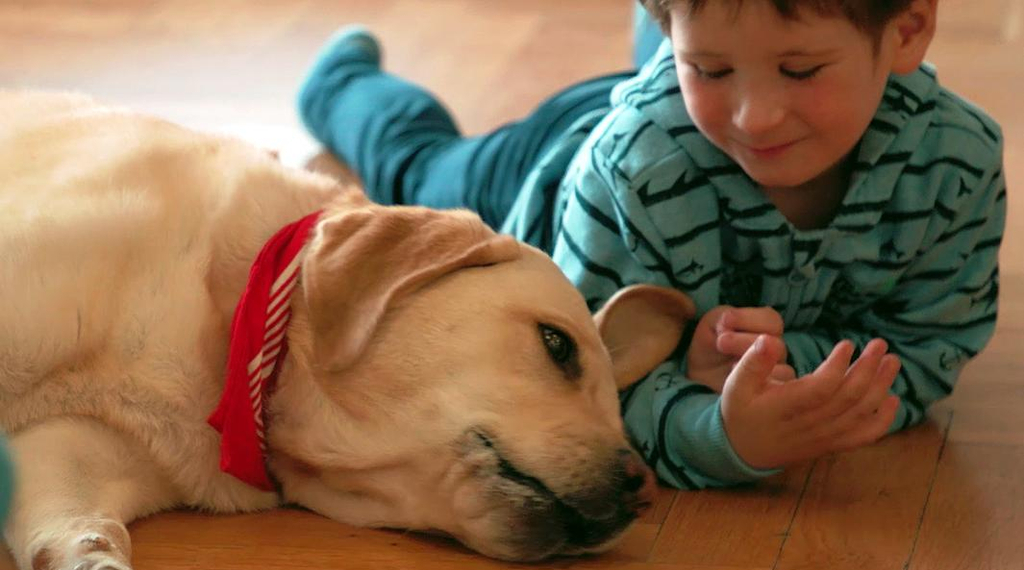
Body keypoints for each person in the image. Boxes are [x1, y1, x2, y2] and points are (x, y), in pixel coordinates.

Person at [295, 0, 1006, 489]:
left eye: (800, 70)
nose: (756, 118)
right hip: (547, 168)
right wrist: (723, 434)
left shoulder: (957, 161)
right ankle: (339, 85)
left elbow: (927, 344)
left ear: (908, 30)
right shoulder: (633, 168)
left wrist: (781, 371)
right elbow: (587, 381)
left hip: (674, 118)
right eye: (713, 68)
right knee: (418, 164)